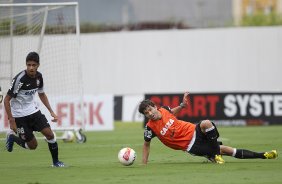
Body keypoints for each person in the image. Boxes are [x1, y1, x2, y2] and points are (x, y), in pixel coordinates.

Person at [138, 92, 278, 164]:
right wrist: (144, 165)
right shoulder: (150, 128)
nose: (149, 113)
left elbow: (171, 113)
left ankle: (215, 154)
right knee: (228, 150)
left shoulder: (164, 109)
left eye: (150, 109)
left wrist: (182, 106)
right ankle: (262, 155)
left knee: (206, 123)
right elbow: (146, 145)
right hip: (192, 145)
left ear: (154, 106)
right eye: (146, 113)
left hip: (194, 130)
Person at [4, 52, 65, 167]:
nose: (31, 67)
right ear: (26, 65)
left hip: (33, 111)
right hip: (19, 116)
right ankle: (12, 137)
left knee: (50, 135)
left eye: (33, 65)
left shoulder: (39, 77)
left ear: (38, 65)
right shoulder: (19, 79)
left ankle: (56, 162)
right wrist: (11, 120)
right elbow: (6, 100)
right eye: (29, 65)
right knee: (33, 146)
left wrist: (51, 111)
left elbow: (41, 94)